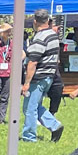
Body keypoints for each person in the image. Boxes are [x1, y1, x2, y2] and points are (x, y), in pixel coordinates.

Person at [21, 9, 64, 143]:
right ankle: (54, 125)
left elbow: (33, 62)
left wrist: (27, 83)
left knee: (29, 108)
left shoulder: (40, 37)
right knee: (34, 106)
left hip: (38, 77)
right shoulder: (52, 35)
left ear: (35, 21)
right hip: (49, 76)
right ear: (48, 20)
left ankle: (29, 136)